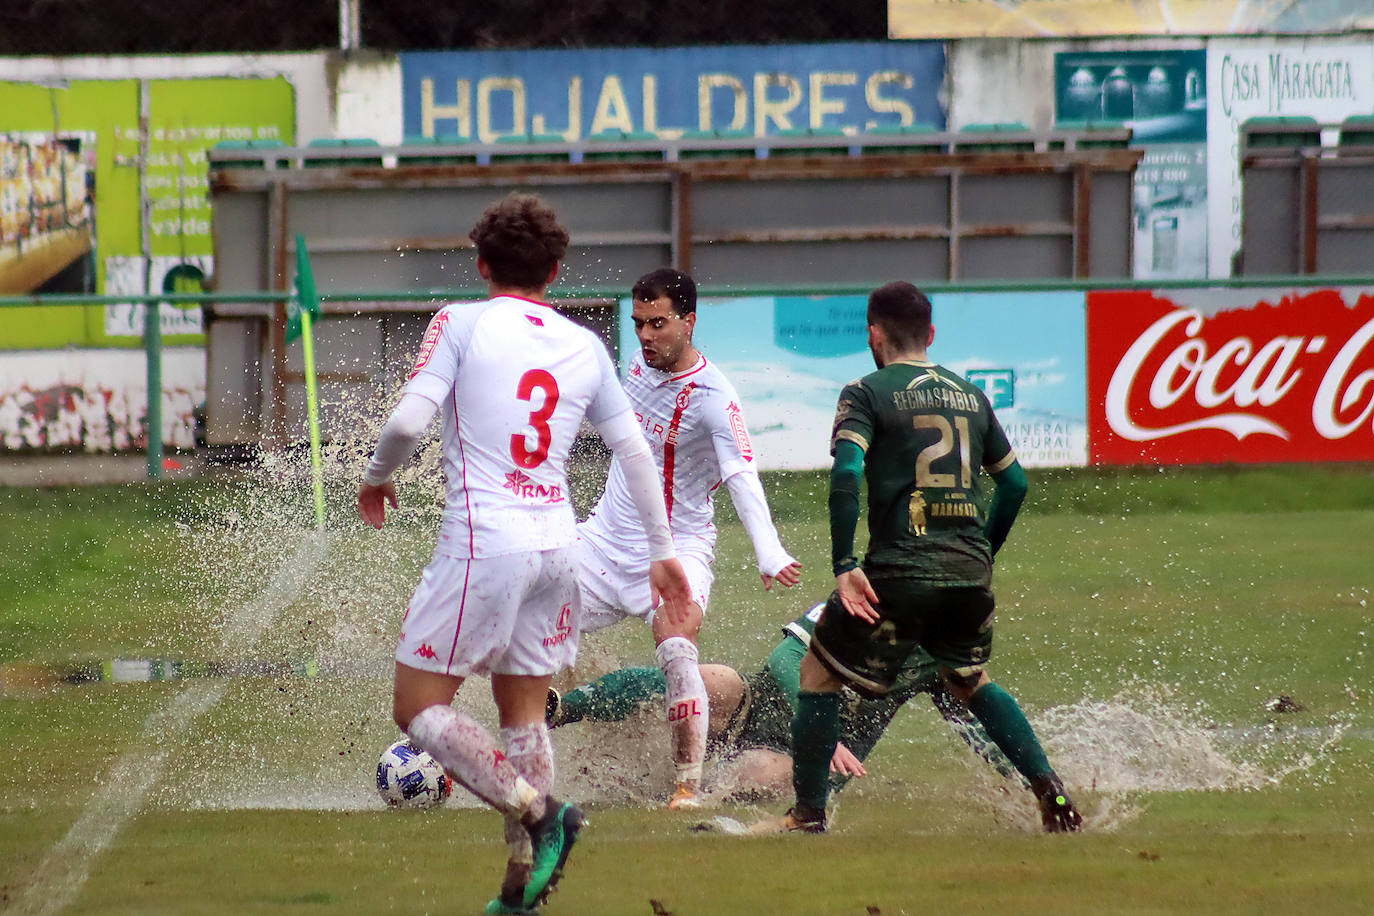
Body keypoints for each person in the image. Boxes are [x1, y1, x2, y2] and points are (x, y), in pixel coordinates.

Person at [357, 192, 692, 916]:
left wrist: (377, 477)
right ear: (557, 270)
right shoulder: (585, 346)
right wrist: (662, 552)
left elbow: (411, 416)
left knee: (416, 707)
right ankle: (521, 885)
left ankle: (542, 816)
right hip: (556, 544)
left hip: (487, 541)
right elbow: (631, 447)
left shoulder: (461, 322)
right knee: (524, 716)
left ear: (480, 263)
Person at [774, 280, 1081, 835]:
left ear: (873, 333)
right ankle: (1050, 790)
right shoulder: (970, 394)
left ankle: (808, 814)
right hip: (968, 572)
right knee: (967, 678)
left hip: (899, 570)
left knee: (817, 671)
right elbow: (1013, 483)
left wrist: (845, 565)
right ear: (930, 334)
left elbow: (846, 475)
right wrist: (982, 550)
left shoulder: (864, 392)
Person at [574, 267, 803, 810]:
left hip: (678, 547)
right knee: (527, 617)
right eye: (639, 324)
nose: (647, 336)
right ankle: (536, 737)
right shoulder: (635, 366)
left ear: (689, 321)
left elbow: (742, 475)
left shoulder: (714, 398)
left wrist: (768, 551)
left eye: (658, 324)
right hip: (605, 540)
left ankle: (687, 786)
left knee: (677, 649)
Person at [546, 602, 1027, 800]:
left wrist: (1031, 780)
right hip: (759, 706)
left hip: (809, 757)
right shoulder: (860, 599)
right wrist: (817, 724)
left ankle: (674, 797)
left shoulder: (940, 659)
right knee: (707, 679)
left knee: (755, 770)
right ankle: (562, 708)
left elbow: (977, 726)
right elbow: (786, 656)